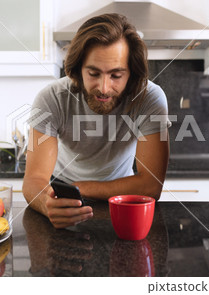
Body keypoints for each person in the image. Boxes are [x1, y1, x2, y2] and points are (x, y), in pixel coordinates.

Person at [22, 13, 170, 228]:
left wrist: (77, 187)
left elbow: (150, 186)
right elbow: (34, 179)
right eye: (93, 73)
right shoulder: (51, 98)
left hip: (122, 202)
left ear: (132, 74)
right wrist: (47, 204)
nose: (103, 87)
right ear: (78, 69)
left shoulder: (149, 98)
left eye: (116, 76)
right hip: (62, 200)